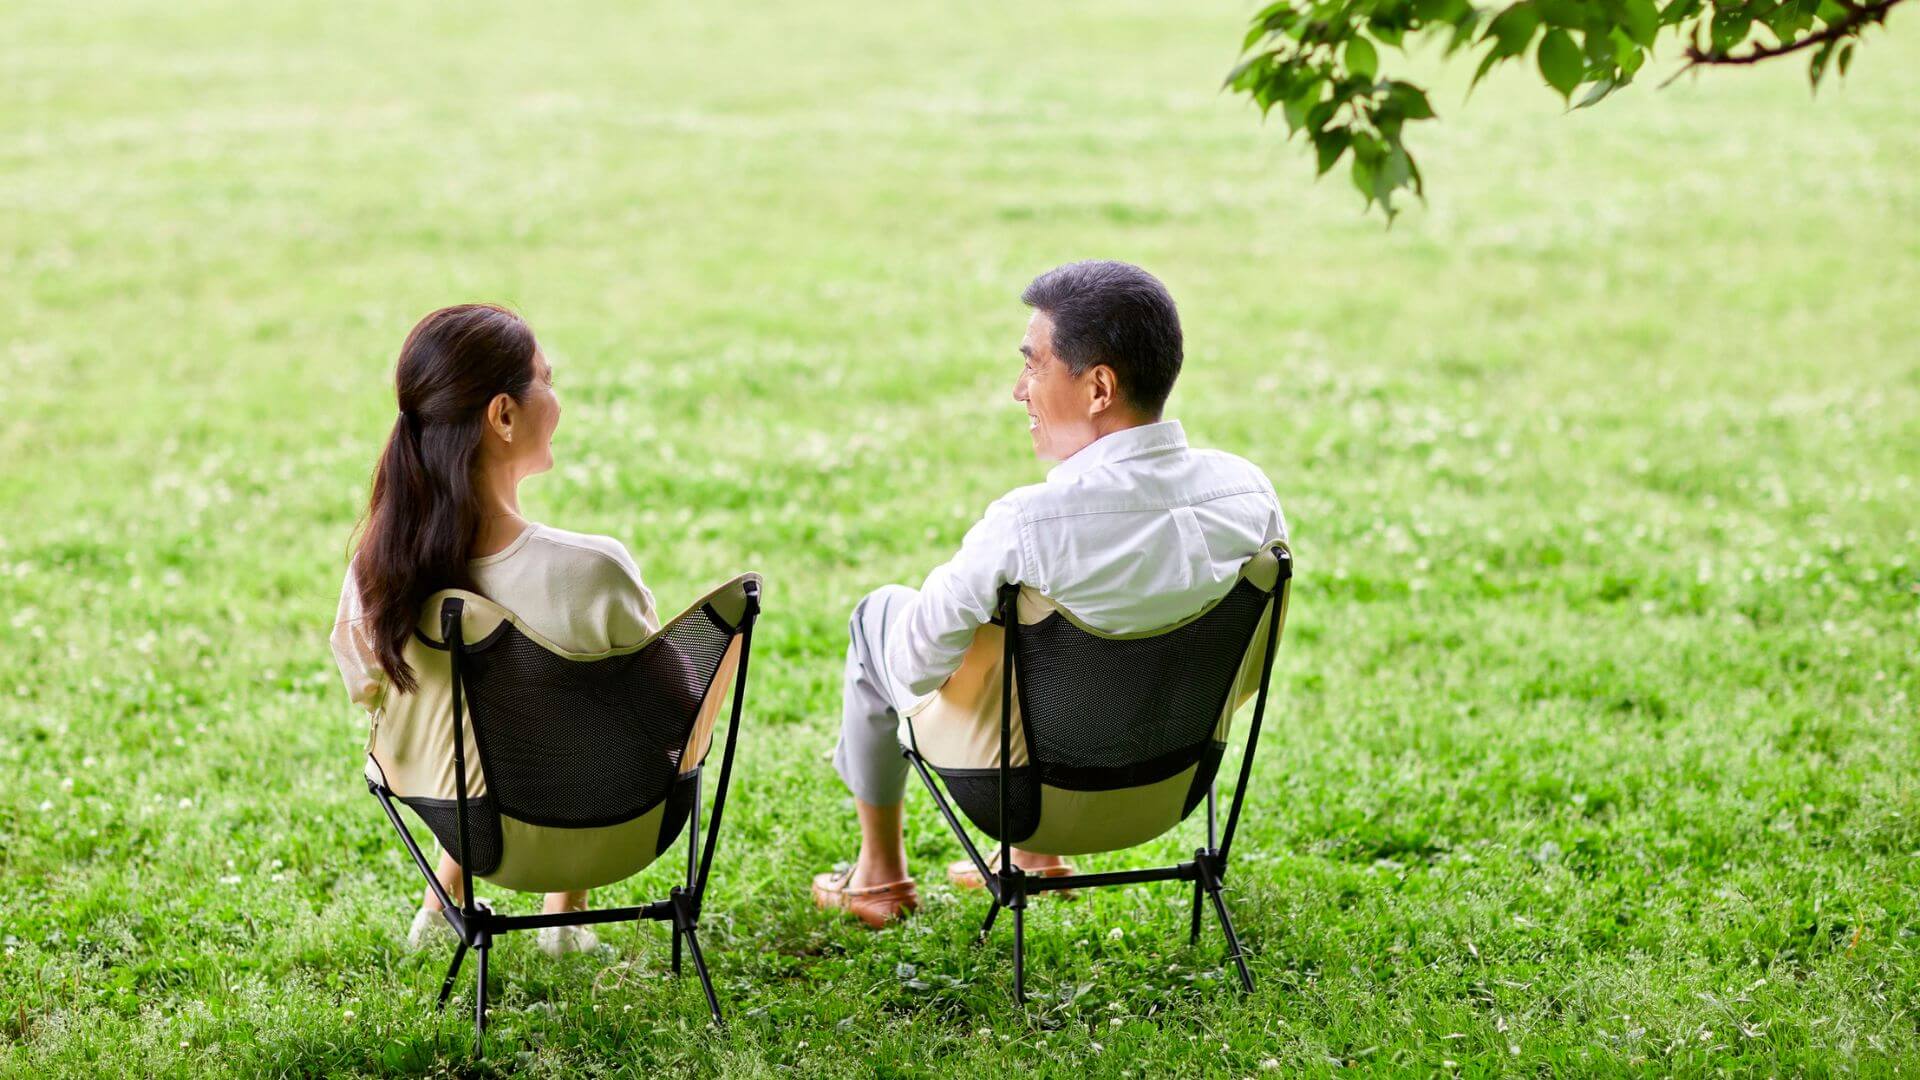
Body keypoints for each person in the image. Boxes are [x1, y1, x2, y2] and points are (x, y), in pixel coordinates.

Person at [812, 261, 1289, 928]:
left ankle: (879, 877)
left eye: (1032, 365)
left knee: (879, 615)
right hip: (1172, 787)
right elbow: (1246, 671)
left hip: (1023, 797)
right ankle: (1034, 858)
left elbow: (913, 668)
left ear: (1099, 388)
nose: (1019, 390)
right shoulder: (1248, 494)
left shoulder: (1027, 525)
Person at [330, 304, 658, 957]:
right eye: (547, 380)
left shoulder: (379, 574)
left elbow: (370, 693)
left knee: (470, 724)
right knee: (589, 701)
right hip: (608, 830)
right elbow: (662, 709)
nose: (557, 400)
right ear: (503, 415)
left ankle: (437, 911)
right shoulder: (592, 569)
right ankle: (564, 920)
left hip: (465, 819)